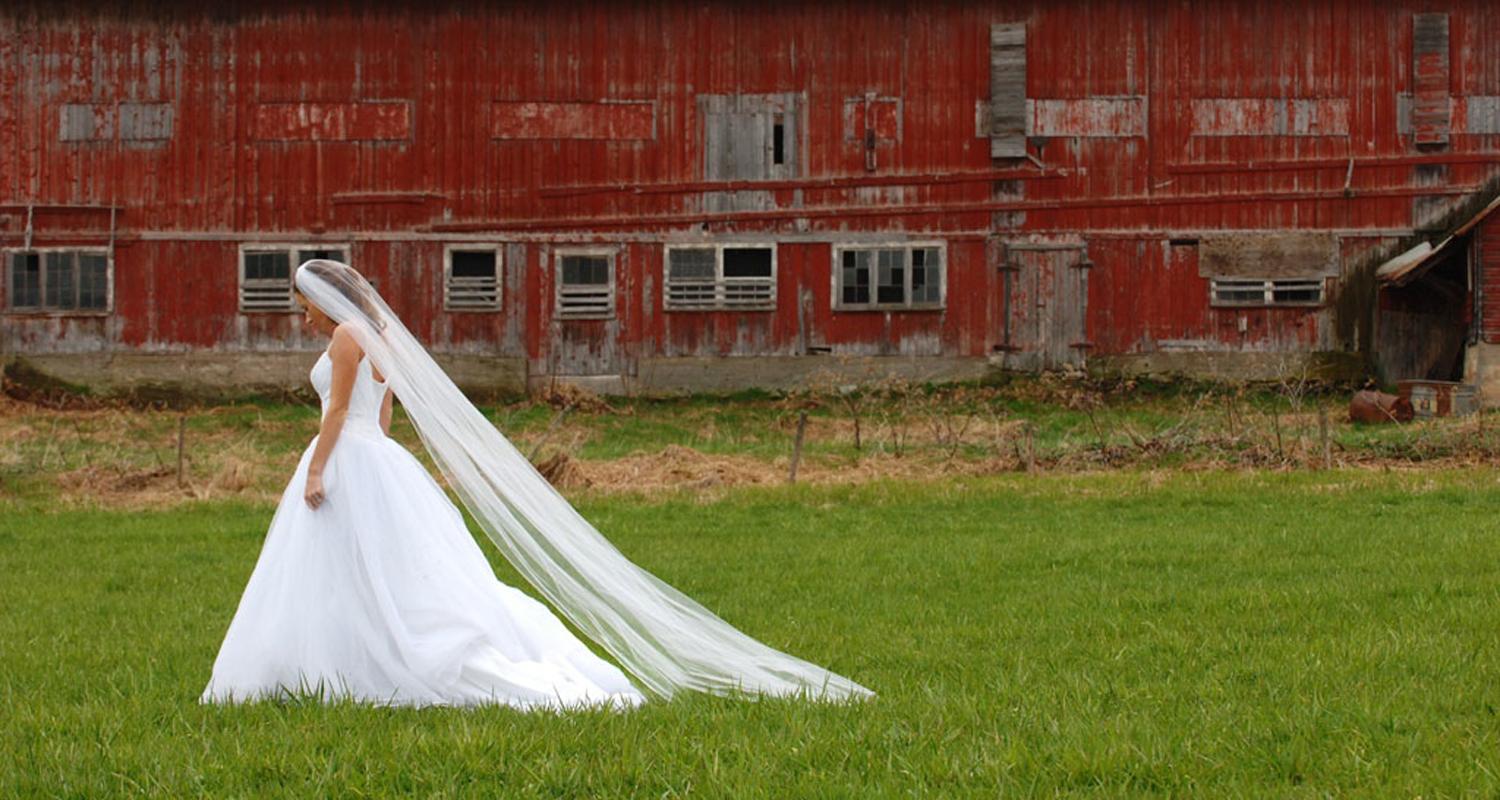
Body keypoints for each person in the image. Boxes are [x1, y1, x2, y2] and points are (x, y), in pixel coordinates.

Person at [201, 260, 871, 708]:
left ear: (325, 302)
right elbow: (384, 416)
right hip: (377, 458)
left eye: (305, 308)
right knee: (376, 571)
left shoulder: (346, 336)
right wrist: (373, 456)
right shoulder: (378, 336)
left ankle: (332, 663)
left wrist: (319, 467)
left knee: (342, 568)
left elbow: (340, 414)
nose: (305, 319)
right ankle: (344, 659)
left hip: (348, 457)